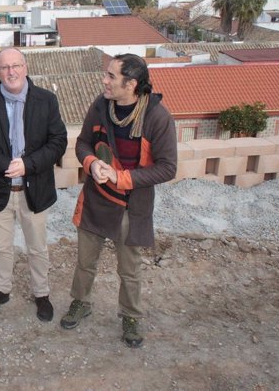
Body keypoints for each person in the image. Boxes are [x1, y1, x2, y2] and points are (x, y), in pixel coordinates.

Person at [60, 53, 177, 348]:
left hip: (132, 204)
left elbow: (167, 168)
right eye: (107, 74)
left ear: (132, 84)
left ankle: (131, 315)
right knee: (85, 261)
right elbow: (83, 142)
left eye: (112, 76)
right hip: (96, 198)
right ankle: (81, 302)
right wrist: (90, 163)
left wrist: (121, 178)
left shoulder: (156, 116)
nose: (105, 80)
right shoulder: (101, 106)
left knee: (130, 268)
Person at [0, 47, 67, 322]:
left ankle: (42, 293)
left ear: (25, 67)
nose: (10, 72)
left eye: (15, 66)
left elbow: (58, 142)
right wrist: (4, 165)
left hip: (34, 188)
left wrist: (28, 164)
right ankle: (2, 289)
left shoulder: (46, 100)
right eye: (4, 67)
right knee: (2, 247)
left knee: (37, 247)